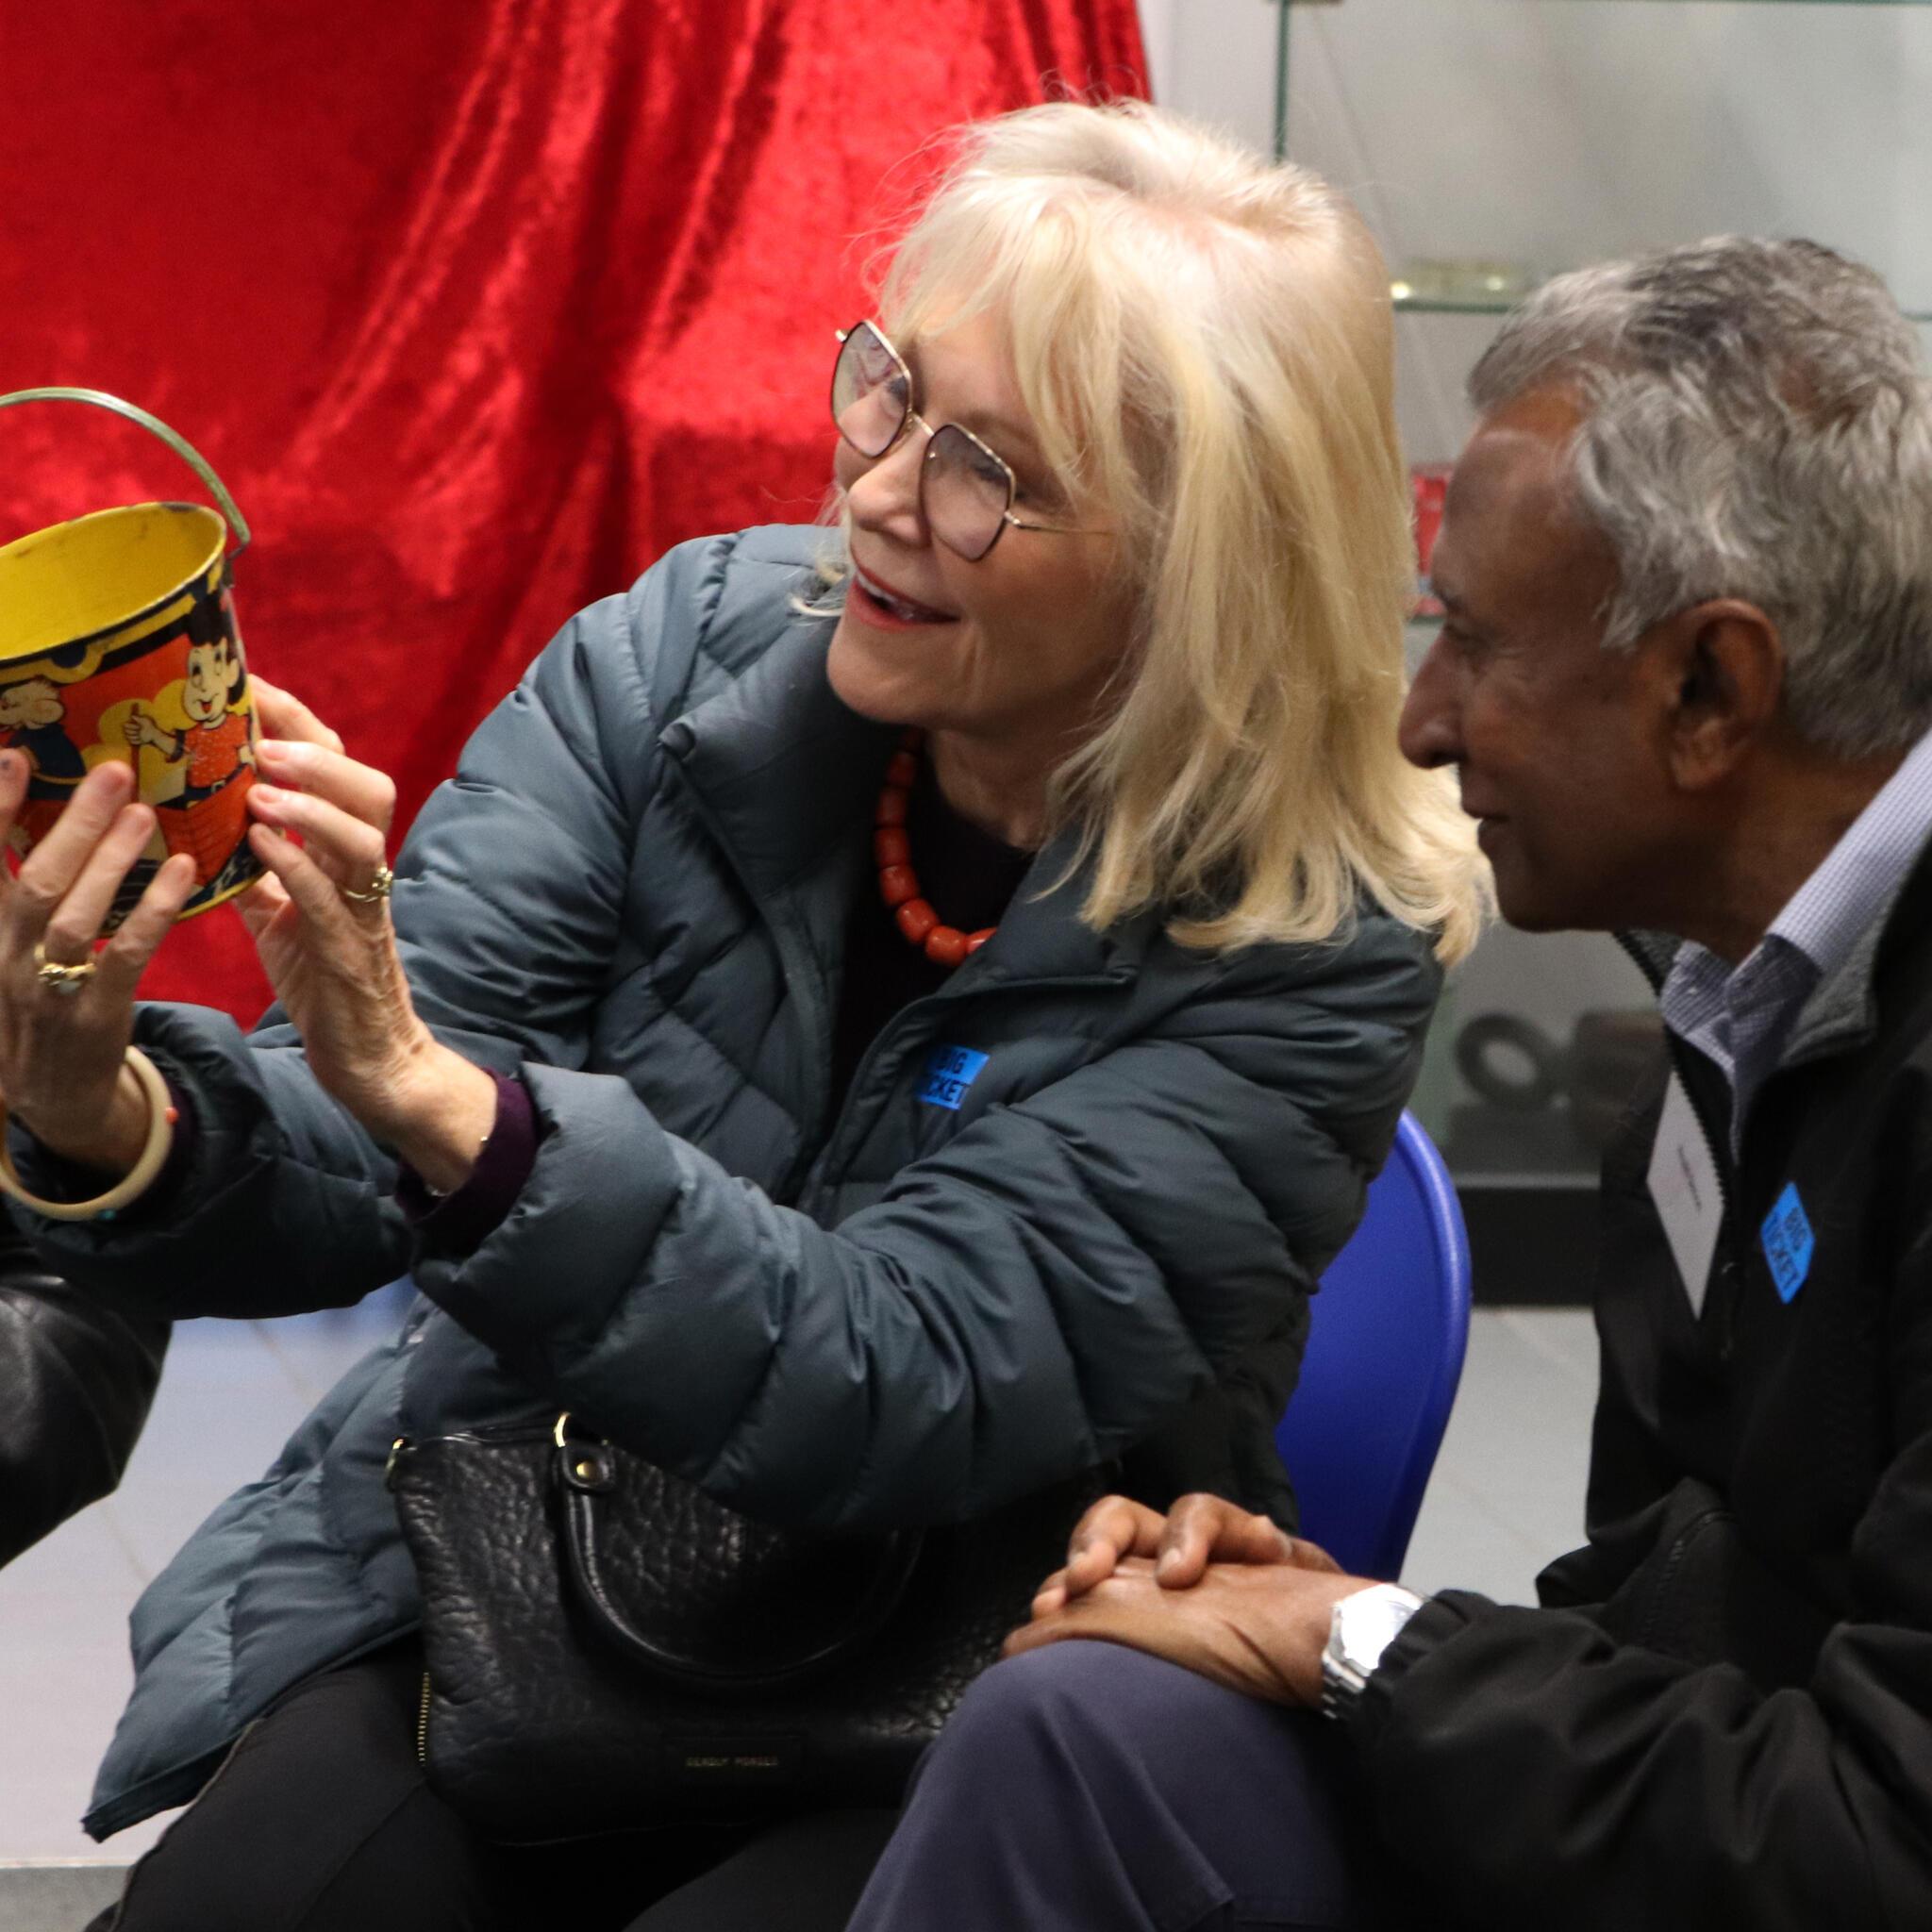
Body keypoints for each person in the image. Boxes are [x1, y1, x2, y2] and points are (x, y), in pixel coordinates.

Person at [0, 101, 1482, 1931]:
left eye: (983, 470)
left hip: (974, 1655)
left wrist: (444, 1102)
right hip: (525, 1558)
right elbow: (365, 1156)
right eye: (887, 393)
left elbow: (894, 1371)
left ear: (1199, 566)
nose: (871, 491)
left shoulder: (1315, 936)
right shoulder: (680, 656)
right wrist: (105, 1111)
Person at [841, 234, 1932, 1932]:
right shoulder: (1732, 998)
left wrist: (1362, 1644)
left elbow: (1875, 1843)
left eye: (1481, 647)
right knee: (1080, 1722)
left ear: (1712, 689)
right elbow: (1674, 1601)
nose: (1423, 724)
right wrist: (1351, 1622)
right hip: (1711, 1829)